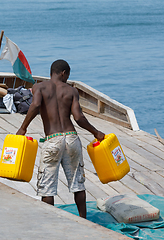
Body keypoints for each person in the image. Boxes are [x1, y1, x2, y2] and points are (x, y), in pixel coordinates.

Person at [16, 59, 105, 218]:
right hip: (71, 138)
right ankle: (84, 220)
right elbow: (78, 117)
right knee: (77, 184)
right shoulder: (71, 91)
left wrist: (23, 128)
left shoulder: (39, 87)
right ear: (63, 73)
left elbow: (35, 105)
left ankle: (49, 221)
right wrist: (96, 132)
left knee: (47, 188)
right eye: (67, 75)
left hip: (53, 139)